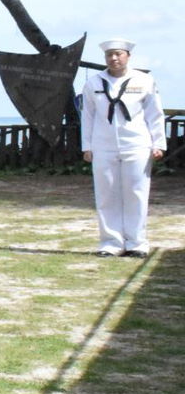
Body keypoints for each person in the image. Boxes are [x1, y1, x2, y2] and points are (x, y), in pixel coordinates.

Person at [80, 38, 166, 256]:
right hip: (103, 145)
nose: (114, 58)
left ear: (128, 56)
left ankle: (137, 242)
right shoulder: (94, 83)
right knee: (106, 194)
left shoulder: (144, 80)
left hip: (137, 143)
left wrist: (159, 143)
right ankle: (111, 242)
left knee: (136, 193)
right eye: (110, 55)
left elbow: (155, 114)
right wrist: (87, 145)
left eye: (118, 54)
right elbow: (88, 116)